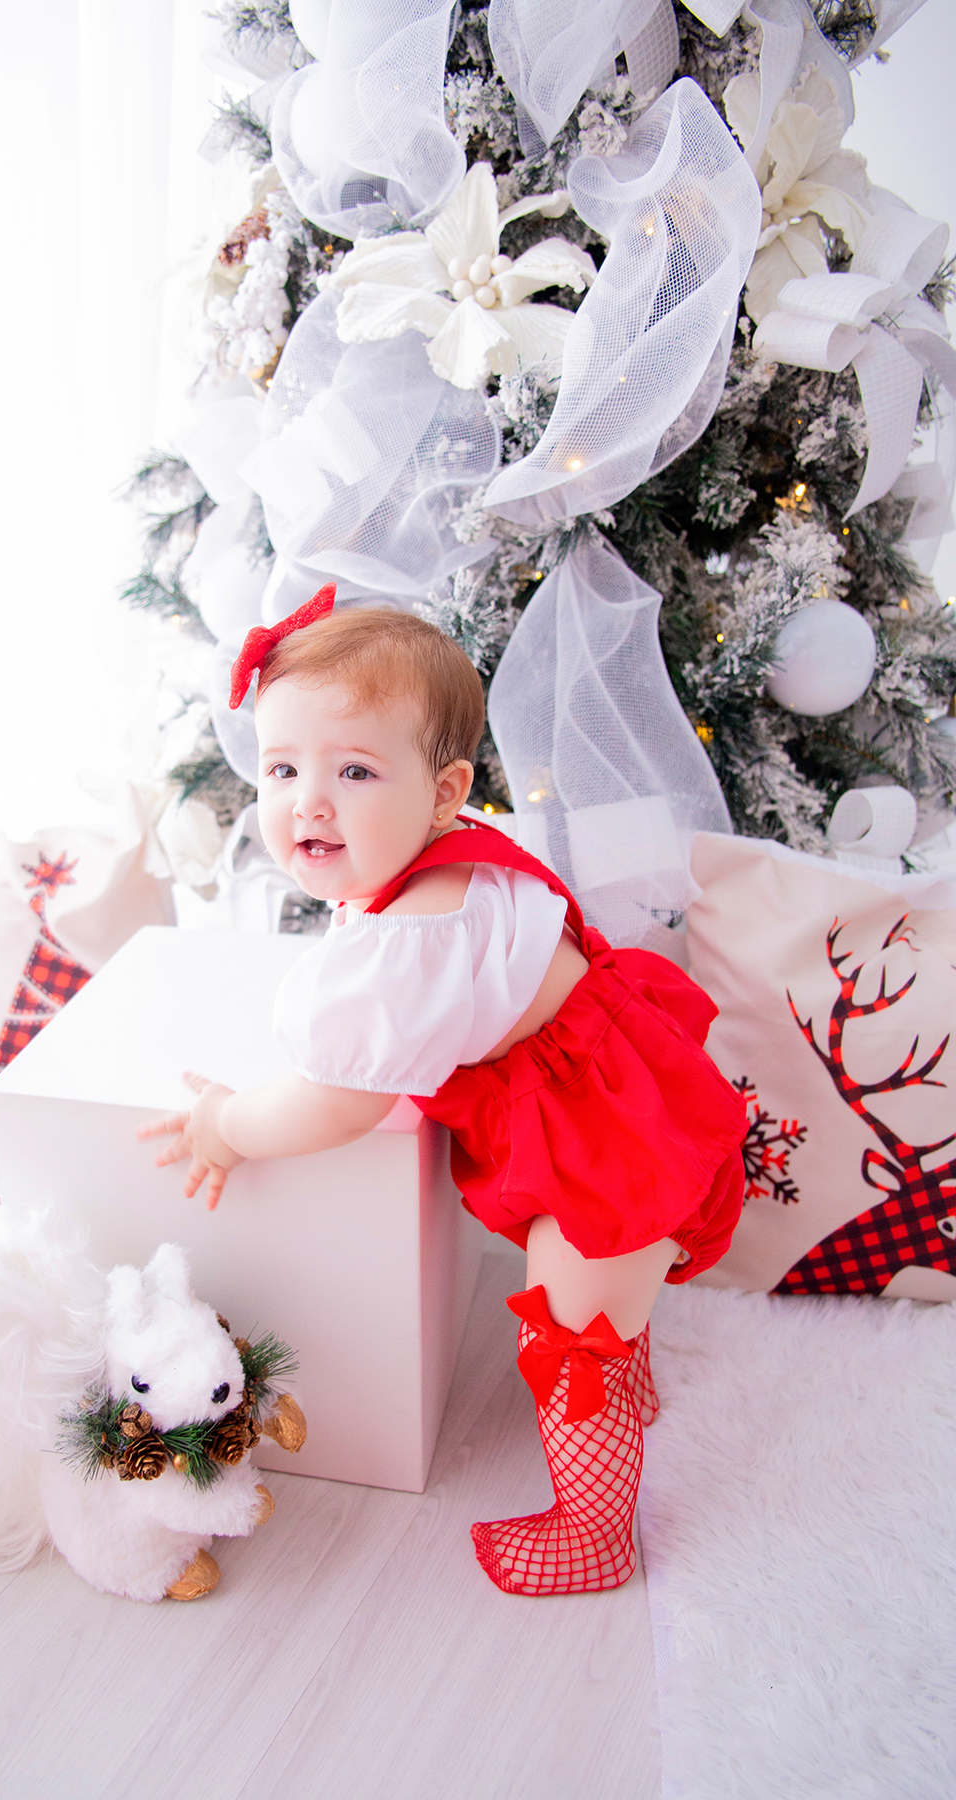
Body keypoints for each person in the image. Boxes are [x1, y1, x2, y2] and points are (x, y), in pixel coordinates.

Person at [141, 584, 746, 1596]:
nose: (308, 801)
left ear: (444, 790)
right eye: (283, 767)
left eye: (355, 770)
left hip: (604, 1129)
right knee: (602, 1297)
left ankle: (596, 1532)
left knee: (570, 1328)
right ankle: (629, 1378)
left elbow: (339, 1102)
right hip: (612, 1078)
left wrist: (229, 1125)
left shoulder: (415, 939)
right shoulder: (443, 867)